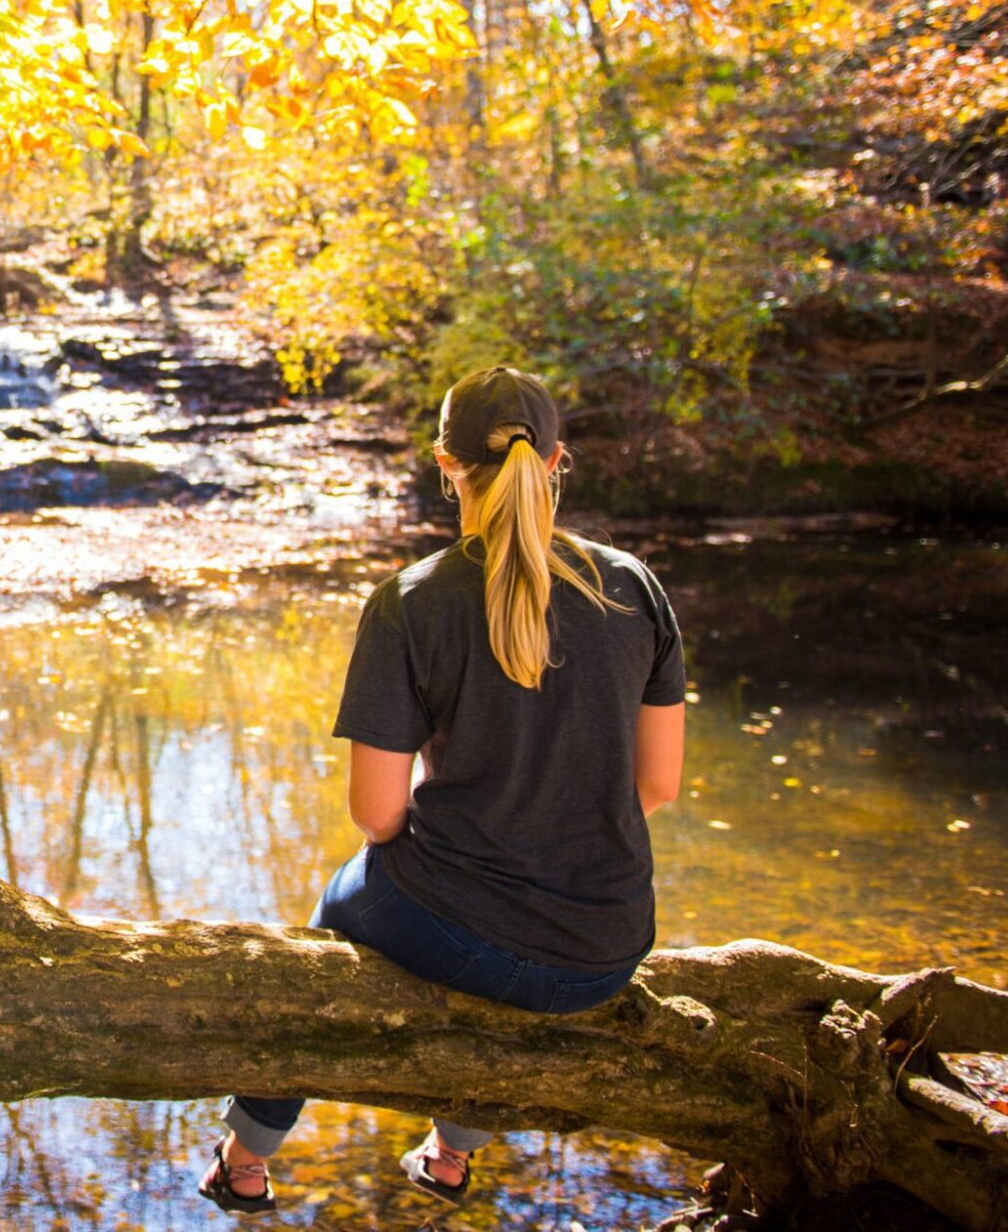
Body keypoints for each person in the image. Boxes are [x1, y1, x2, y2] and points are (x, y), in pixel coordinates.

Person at [198, 365, 688, 1214]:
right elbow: (659, 784)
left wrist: (480, 836)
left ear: (444, 464)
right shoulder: (635, 585)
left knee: (337, 913)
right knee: (479, 940)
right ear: (558, 460)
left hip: (469, 935)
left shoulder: (412, 602)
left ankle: (247, 1157)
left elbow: (378, 815)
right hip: (607, 952)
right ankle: (452, 1154)